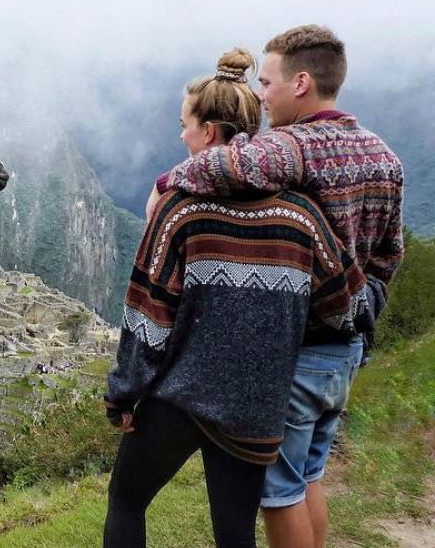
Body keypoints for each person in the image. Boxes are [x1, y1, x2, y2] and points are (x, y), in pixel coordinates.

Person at [152, 26, 405, 548]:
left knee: (278, 492)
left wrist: (163, 188)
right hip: (345, 352)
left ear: (301, 83)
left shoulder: (293, 148)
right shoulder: (384, 156)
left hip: (299, 349)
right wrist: (360, 310)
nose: (261, 96)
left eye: (267, 83)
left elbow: (218, 166)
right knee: (309, 476)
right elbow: (388, 257)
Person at [104, 49, 368, 548]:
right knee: (235, 532)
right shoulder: (302, 216)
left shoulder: (180, 210)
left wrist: (122, 394)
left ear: (208, 133)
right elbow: (345, 305)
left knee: (126, 502)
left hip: (181, 397)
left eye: (184, 126)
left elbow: (148, 315)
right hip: (255, 407)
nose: (181, 136)